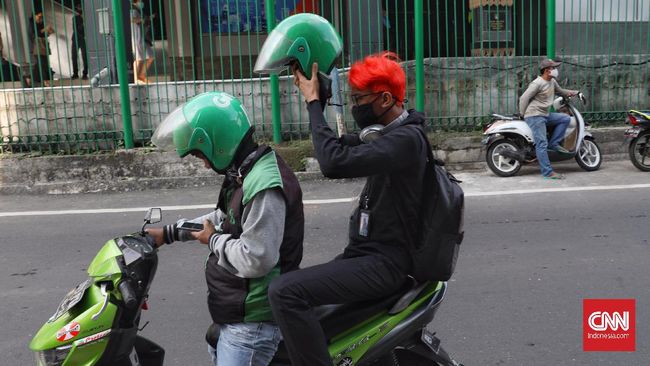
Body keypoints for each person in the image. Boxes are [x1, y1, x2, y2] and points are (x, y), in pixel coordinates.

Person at [269, 54, 429, 365]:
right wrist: (323, 99)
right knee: (298, 307)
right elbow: (338, 145)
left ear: (384, 99)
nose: (355, 106)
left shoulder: (407, 140)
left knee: (285, 292)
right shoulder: (384, 135)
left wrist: (313, 103)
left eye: (359, 99)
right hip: (365, 256)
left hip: (384, 264)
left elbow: (332, 162)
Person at [147, 91, 304, 366]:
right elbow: (222, 217)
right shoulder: (244, 172)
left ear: (217, 143)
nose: (205, 164)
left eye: (200, 155)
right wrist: (169, 234)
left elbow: (257, 258)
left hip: (254, 323)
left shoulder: (263, 185)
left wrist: (213, 241)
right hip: (235, 314)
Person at [519, 58, 579, 180]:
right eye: (553, 68)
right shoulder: (537, 83)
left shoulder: (552, 81)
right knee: (541, 143)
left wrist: (574, 92)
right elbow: (523, 98)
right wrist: (522, 114)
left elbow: (561, 91)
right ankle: (547, 172)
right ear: (547, 70)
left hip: (545, 114)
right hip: (534, 115)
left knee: (565, 119)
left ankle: (554, 143)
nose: (555, 70)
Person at [28, 10, 54, 87]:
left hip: (43, 45)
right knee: (41, 63)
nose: (40, 18)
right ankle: (45, 81)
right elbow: (36, 34)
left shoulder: (40, 23)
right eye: (39, 16)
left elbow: (43, 35)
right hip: (37, 46)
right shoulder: (32, 24)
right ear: (35, 16)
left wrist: (49, 32)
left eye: (41, 16)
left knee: (40, 64)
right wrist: (45, 29)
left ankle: (29, 78)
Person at [130, 0, 154, 84]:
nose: (142, 3)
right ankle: (137, 79)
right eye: (140, 1)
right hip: (137, 38)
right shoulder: (133, 10)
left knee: (150, 57)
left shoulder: (138, 11)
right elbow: (132, 20)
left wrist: (148, 18)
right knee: (139, 59)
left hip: (143, 38)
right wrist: (142, 19)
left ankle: (141, 76)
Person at [71, 4, 88, 80]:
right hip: (76, 38)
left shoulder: (87, 18)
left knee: (85, 56)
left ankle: (85, 73)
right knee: (74, 56)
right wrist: (83, 24)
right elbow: (75, 29)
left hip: (83, 39)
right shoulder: (75, 18)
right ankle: (75, 73)